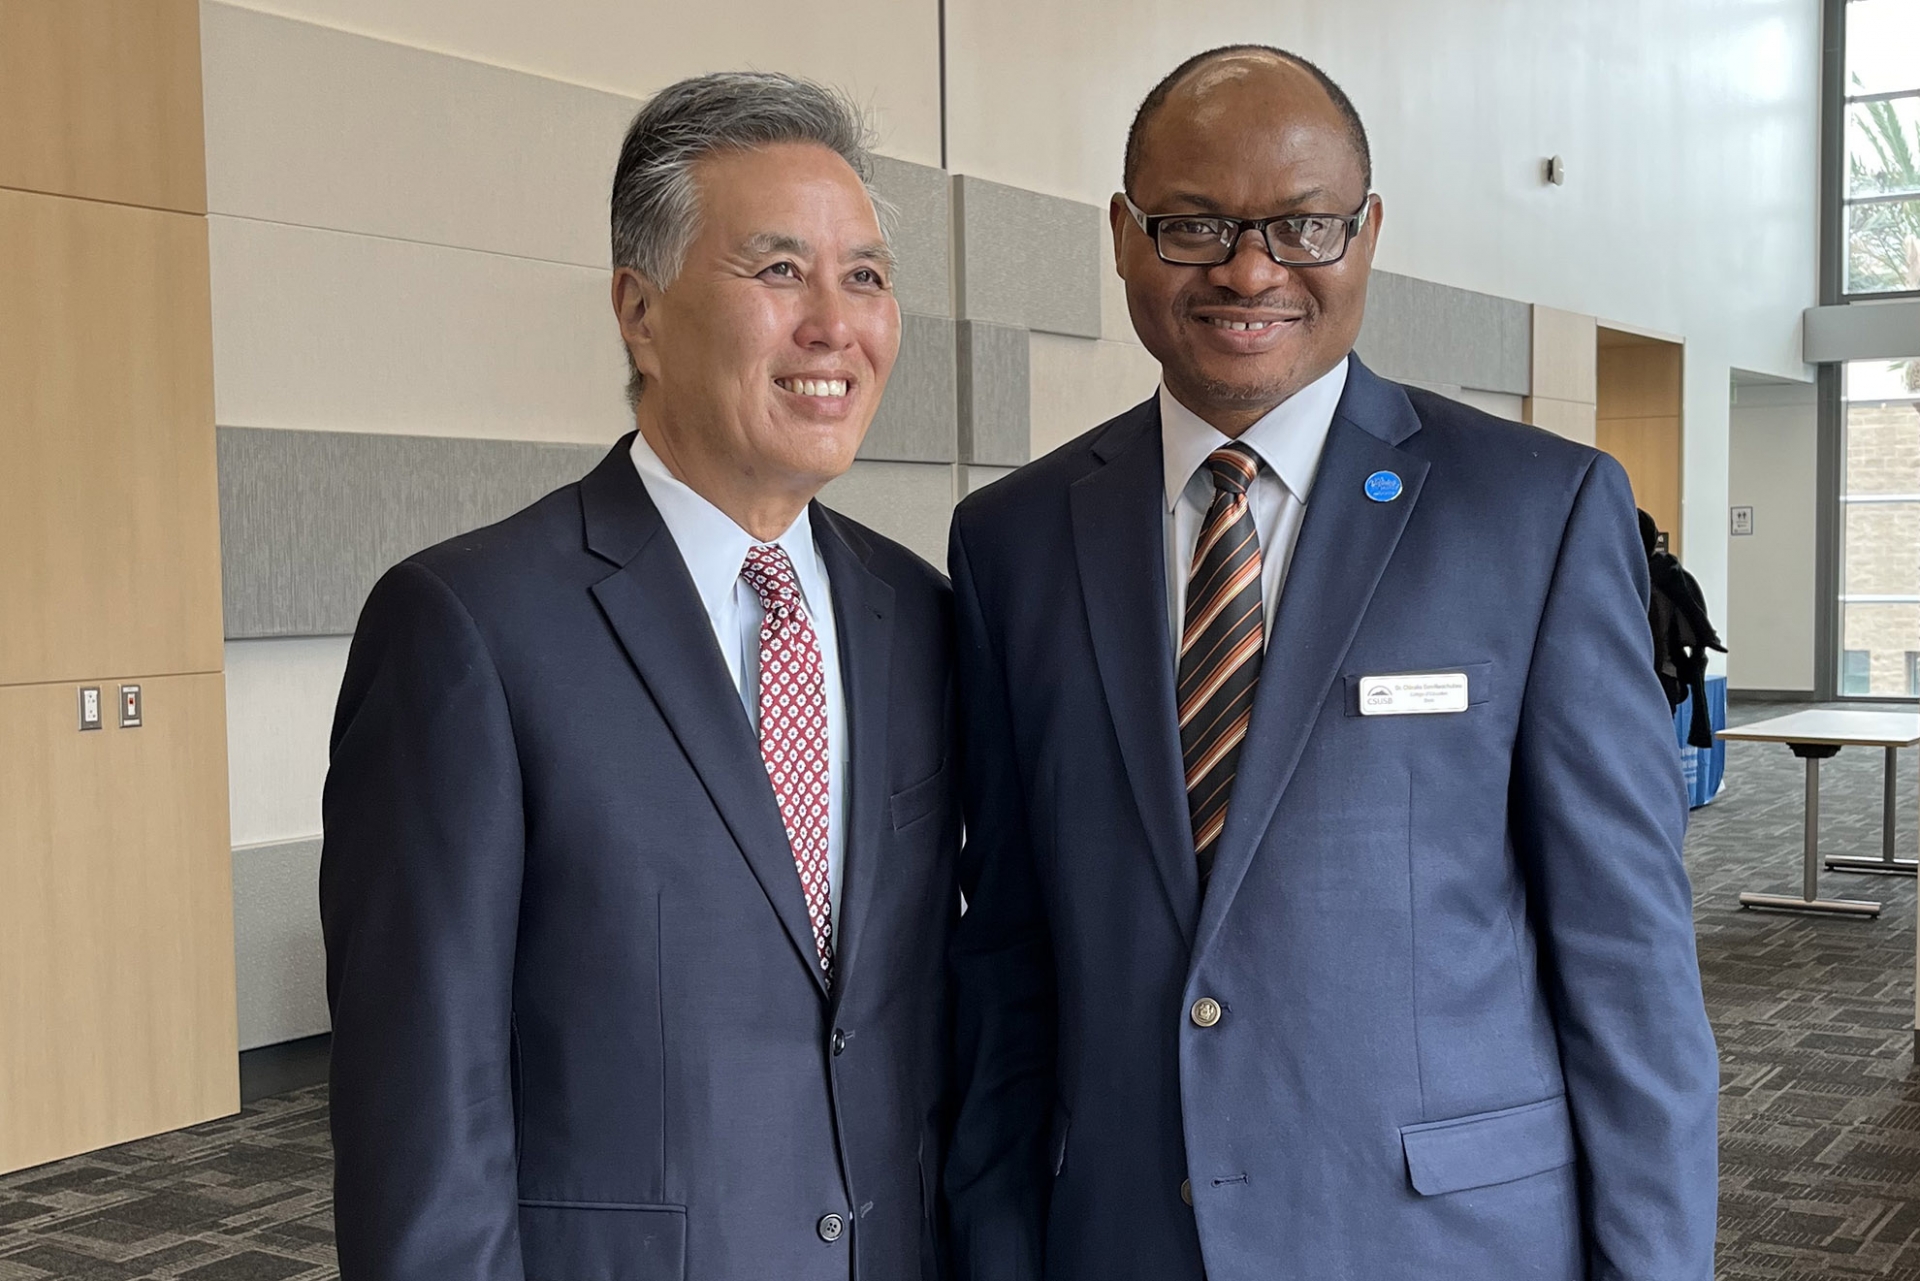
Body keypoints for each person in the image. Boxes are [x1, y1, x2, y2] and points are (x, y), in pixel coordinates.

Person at [944, 45, 1718, 1281]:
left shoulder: (1534, 511)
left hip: (1447, 1241)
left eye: (1304, 226)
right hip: (1129, 1236)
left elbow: (1627, 961)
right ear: (1124, 235)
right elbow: (1011, 955)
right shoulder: (1013, 541)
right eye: (1193, 225)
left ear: (1365, 234)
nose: (1251, 269)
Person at [321, 71, 958, 1281]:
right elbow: (421, 1110)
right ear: (640, 310)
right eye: (779, 272)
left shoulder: (918, 616)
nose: (835, 324)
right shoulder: (468, 628)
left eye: (864, 277)